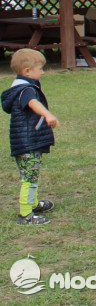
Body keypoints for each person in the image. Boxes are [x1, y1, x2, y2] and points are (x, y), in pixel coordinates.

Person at [2, 49, 59, 225]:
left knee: (30, 175)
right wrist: (47, 114)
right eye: (40, 69)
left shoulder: (18, 87)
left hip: (23, 142)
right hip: (29, 143)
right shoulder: (26, 90)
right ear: (27, 71)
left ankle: (33, 204)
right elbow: (33, 103)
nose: (43, 72)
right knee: (29, 179)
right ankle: (25, 215)